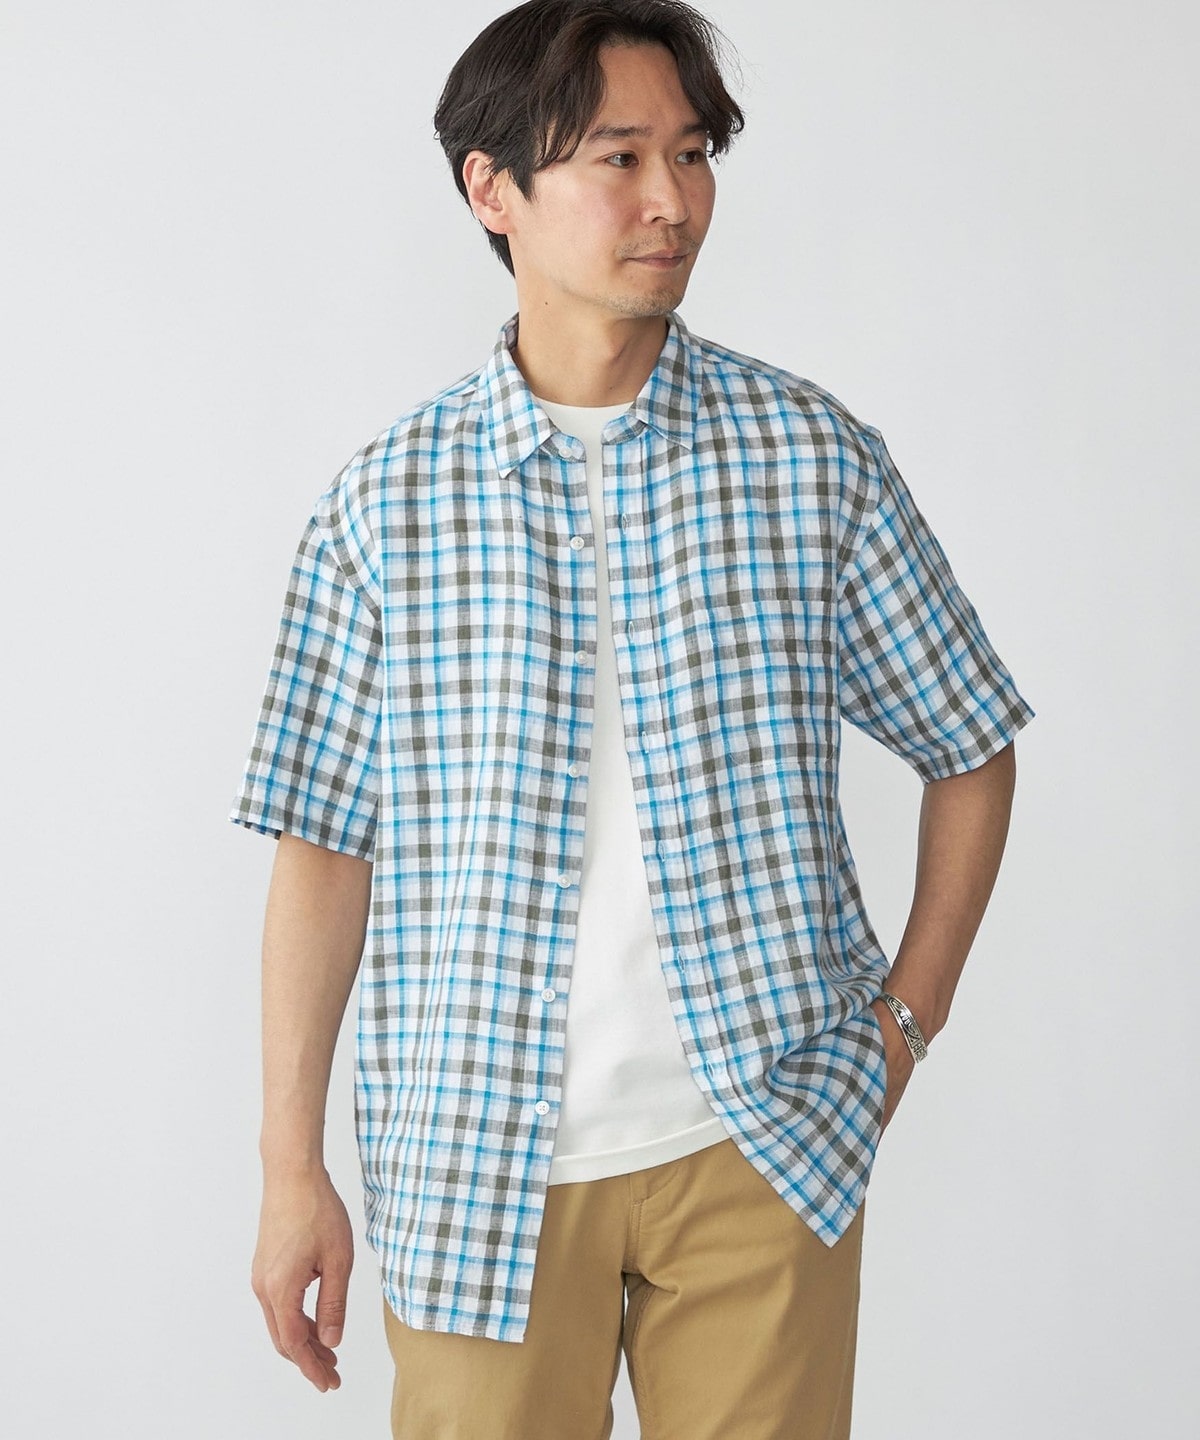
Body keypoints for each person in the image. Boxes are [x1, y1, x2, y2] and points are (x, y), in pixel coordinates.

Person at [229, 2, 1036, 1436]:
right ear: (493, 189)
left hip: (763, 1145)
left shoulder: (808, 457)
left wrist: (903, 1029)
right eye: (620, 158)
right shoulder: (385, 506)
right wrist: (293, 1169)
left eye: (694, 153)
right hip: (475, 1164)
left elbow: (969, 740)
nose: (674, 200)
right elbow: (322, 846)